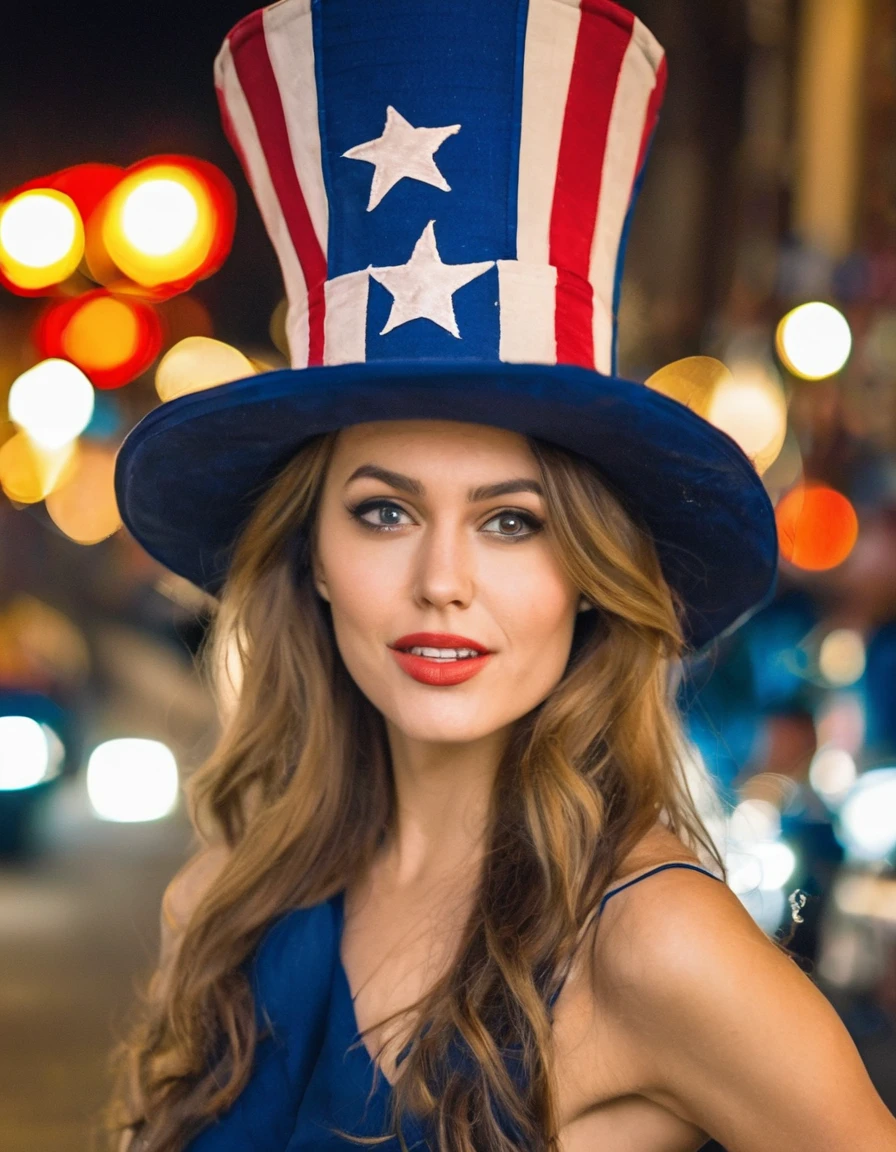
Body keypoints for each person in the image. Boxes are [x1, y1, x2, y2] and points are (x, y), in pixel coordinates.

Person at [103, 0, 896, 1149]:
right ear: (312, 560)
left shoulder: (653, 946)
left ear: (588, 570)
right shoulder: (223, 905)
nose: (441, 580)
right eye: (382, 512)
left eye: (511, 521)